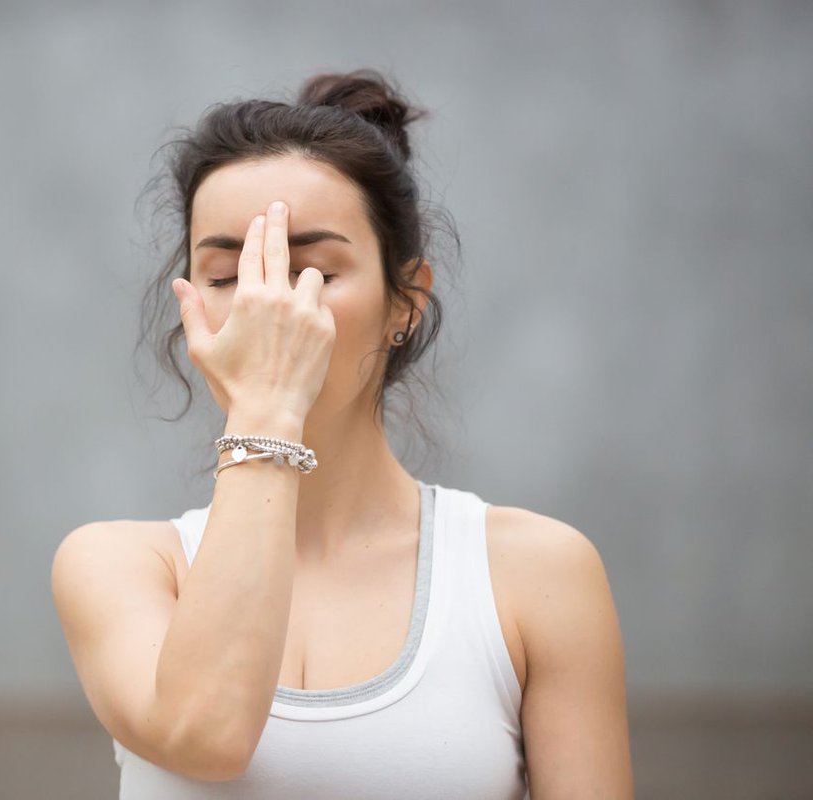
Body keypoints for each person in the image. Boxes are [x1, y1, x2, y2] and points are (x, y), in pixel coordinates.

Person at [51, 68, 633, 798]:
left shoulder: (536, 573)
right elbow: (206, 734)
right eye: (227, 276)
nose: (268, 306)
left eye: (314, 272)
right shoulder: (120, 565)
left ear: (406, 300)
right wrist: (267, 412)